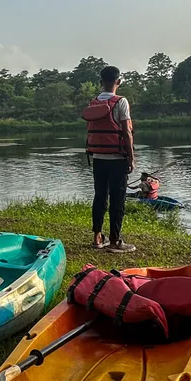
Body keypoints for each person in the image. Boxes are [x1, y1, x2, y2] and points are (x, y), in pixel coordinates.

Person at [82, 65, 136, 251]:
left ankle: (97, 238)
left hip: (97, 157)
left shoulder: (93, 102)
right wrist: (131, 157)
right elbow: (126, 132)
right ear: (118, 82)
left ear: (100, 82)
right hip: (117, 158)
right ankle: (115, 240)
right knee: (118, 199)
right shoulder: (121, 102)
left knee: (100, 196)